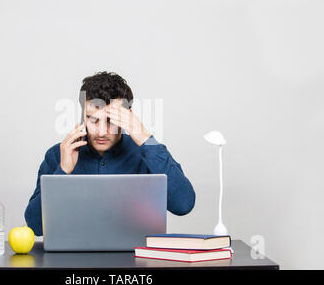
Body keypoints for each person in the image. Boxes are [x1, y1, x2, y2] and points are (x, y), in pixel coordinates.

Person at [24, 71, 196, 236]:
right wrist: (62, 172)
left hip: (135, 261)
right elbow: (35, 226)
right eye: (93, 120)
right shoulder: (60, 154)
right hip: (73, 263)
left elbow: (183, 204)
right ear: (83, 116)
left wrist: (146, 138)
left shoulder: (148, 152)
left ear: (127, 118)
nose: (101, 132)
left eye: (110, 121)